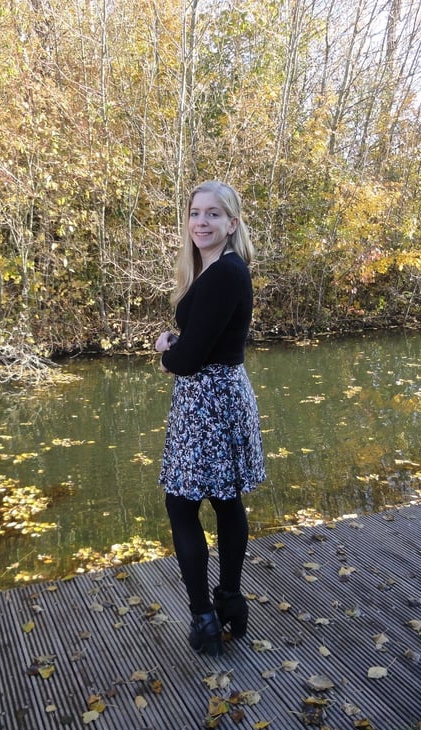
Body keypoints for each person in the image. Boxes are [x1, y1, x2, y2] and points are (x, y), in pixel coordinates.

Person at [154, 180, 266, 656]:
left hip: (209, 399)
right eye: (195, 213)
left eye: (213, 214)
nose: (201, 221)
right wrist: (183, 348)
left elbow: (188, 359)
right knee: (224, 500)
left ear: (232, 223)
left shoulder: (225, 273)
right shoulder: (215, 268)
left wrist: (165, 353)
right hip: (219, 393)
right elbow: (205, 340)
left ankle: (205, 617)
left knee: (183, 504)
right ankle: (229, 602)